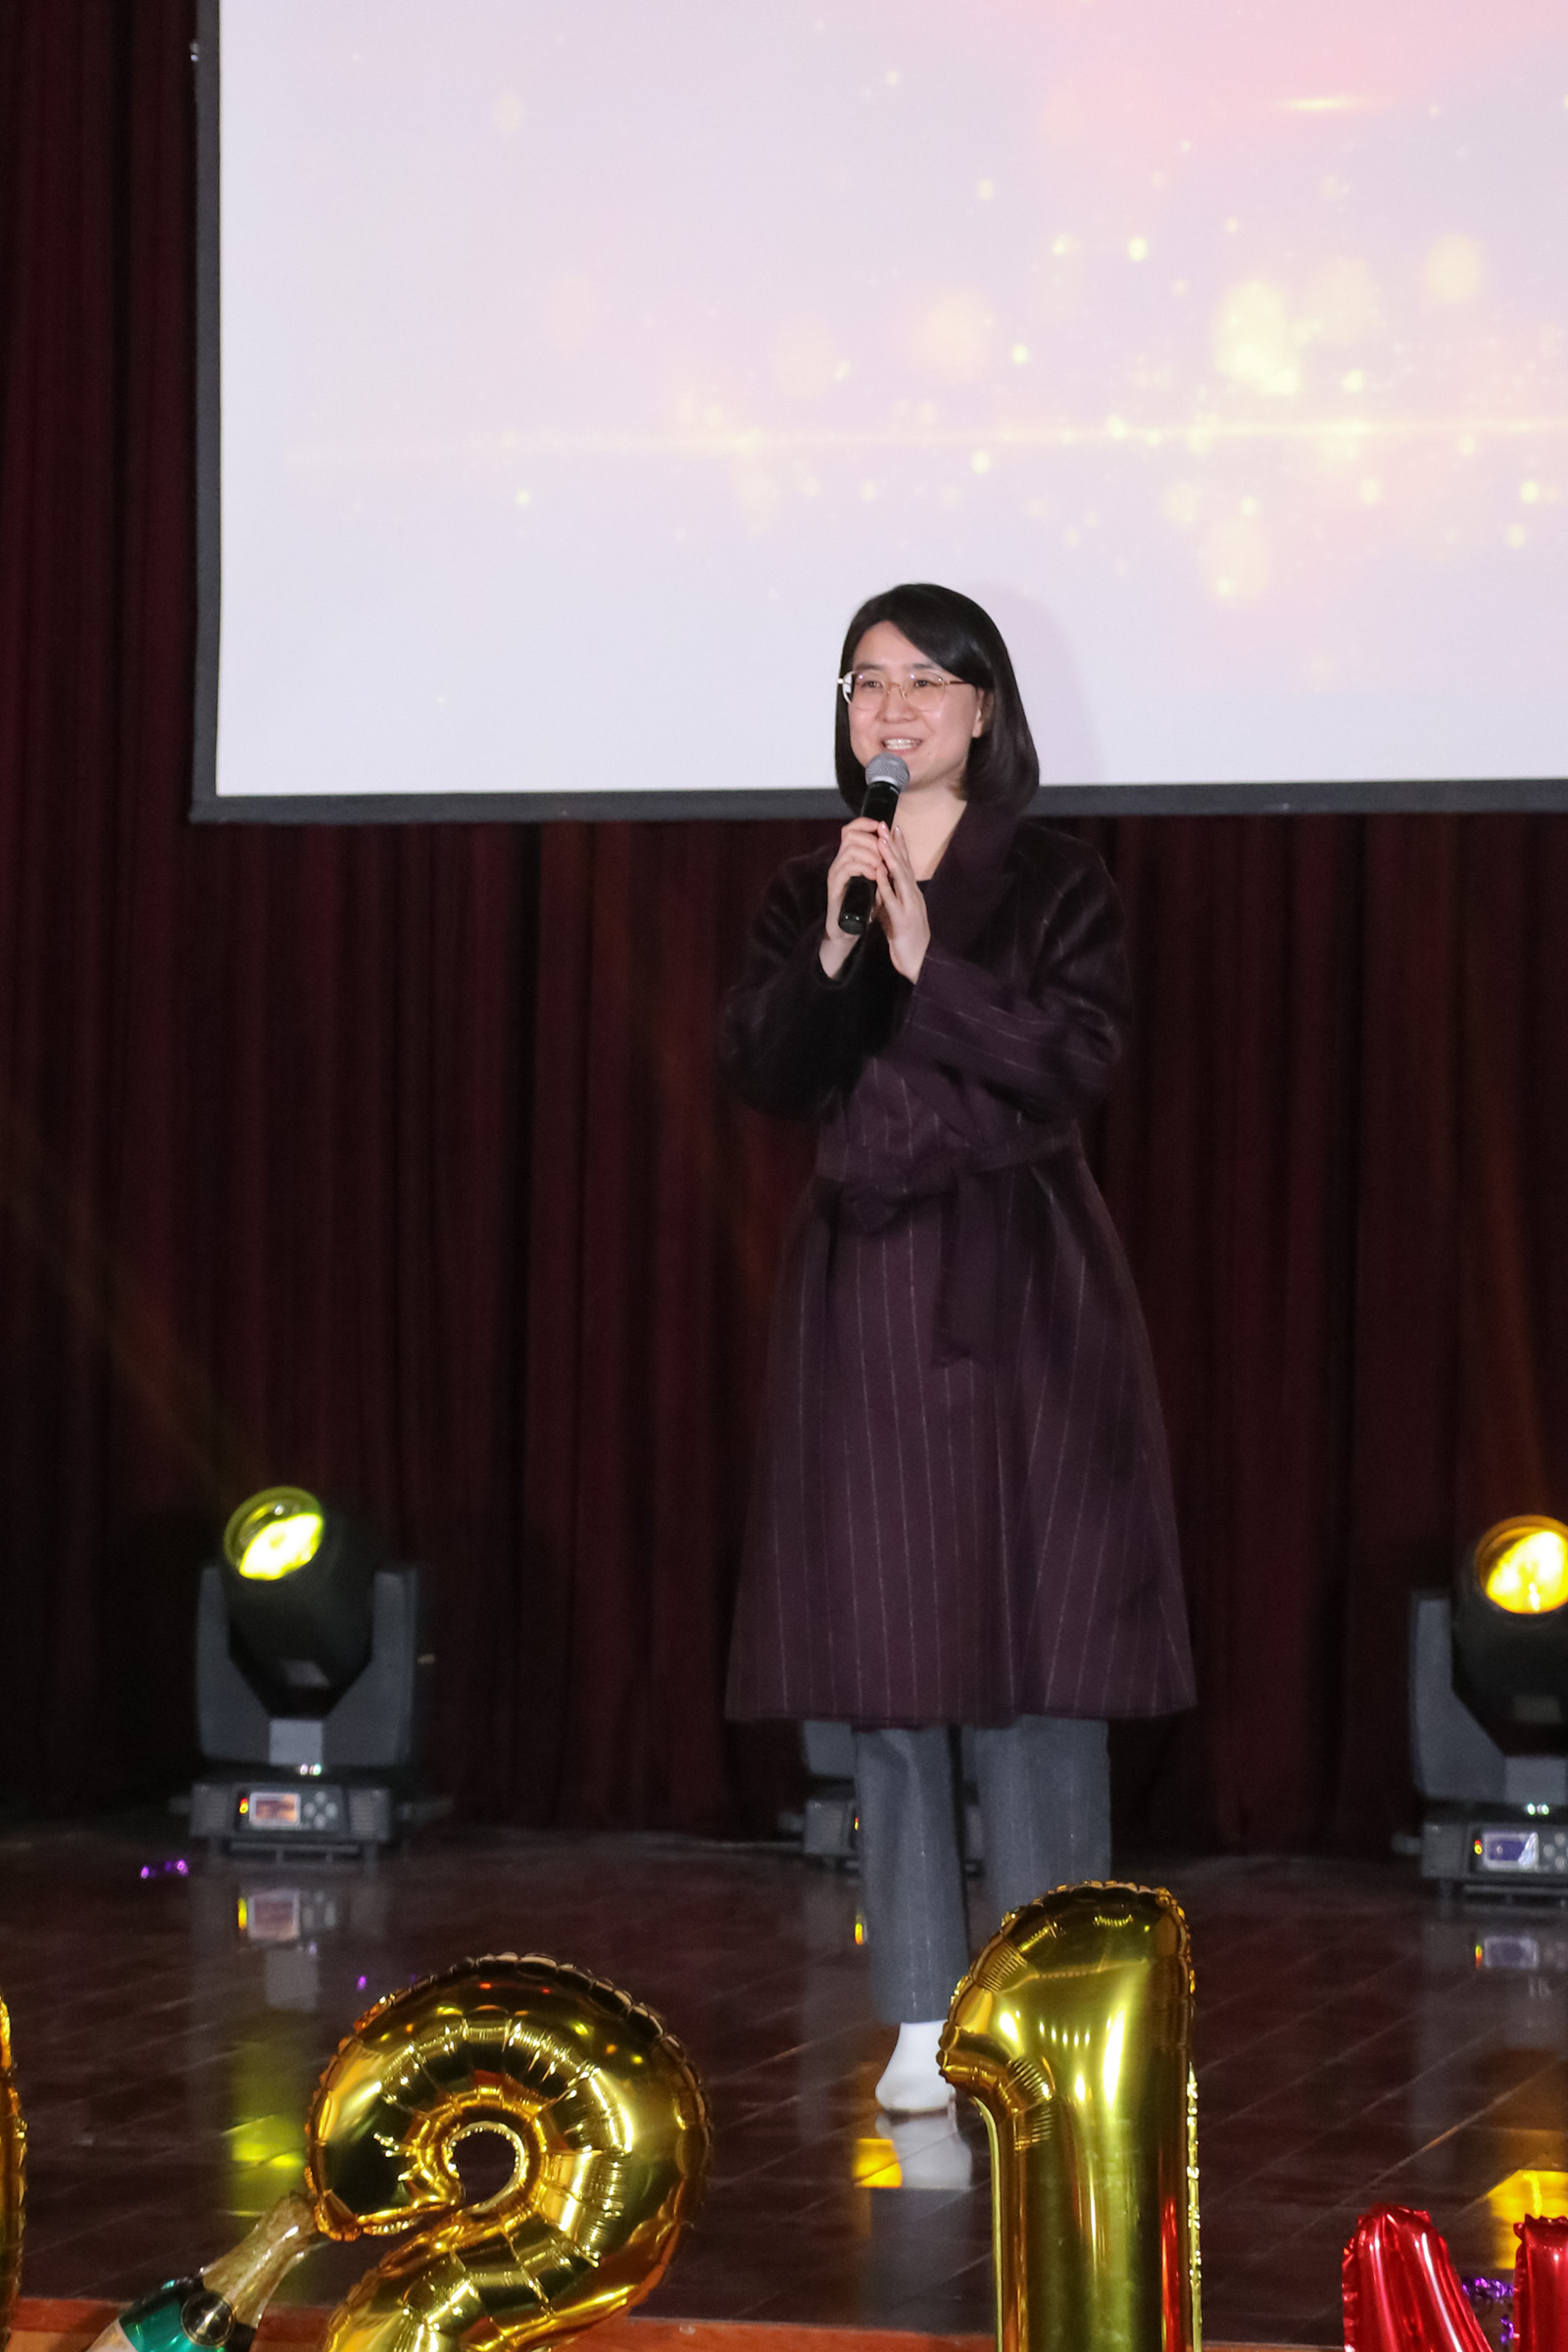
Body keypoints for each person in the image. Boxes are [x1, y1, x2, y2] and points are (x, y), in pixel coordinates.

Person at [721, 582, 1194, 2116]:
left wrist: (932, 965)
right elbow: (767, 1070)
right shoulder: (814, 884)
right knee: (888, 1661)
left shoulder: (1055, 881)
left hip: (1024, 1286)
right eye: (868, 681)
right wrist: (842, 950)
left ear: (984, 708)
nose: (895, 706)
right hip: (866, 1287)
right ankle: (922, 2012)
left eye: (927, 680)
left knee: (1039, 1665)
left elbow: (1076, 1061)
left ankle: (1054, 2007)